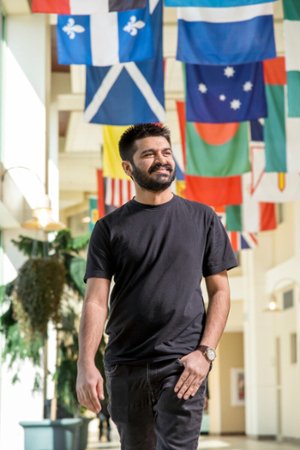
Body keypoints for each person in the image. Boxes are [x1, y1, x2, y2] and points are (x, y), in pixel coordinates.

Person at [76, 123, 238, 450]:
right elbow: (95, 300)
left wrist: (205, 352)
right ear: (128, 167)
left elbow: (220, 291)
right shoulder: (108, 228)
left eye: (166, 152)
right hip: (125, 363)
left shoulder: (204, 218)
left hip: (183, 362)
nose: (162, 159)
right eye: (149, 154)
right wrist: (85, 363)